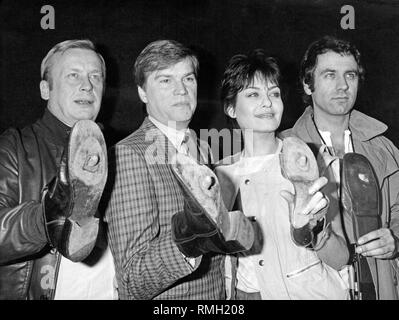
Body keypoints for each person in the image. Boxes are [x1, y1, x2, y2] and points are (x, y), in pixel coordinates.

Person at [104, 39, 253, 300]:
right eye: (165, 80)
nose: (181, 90)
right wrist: (188, 239)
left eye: (188, 79)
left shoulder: (201, 148)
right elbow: (131, 280)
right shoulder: (128, 155)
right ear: (142, 92)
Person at [215, 49, 349, 299]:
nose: (267, 102)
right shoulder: (219, 175)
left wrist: (314, 229)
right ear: (231, 108)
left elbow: (340, 258)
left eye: (274, 93)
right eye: (253, 94)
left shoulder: (313, 163)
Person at [282, 35, 399, 299]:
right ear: (307, 83)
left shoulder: (383, 148)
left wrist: (396, 241)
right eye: (329, 75)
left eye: (351, 75)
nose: (343, 85)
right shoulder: (286, 148)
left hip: (379, 284)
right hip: (312, 287)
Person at [0, 39, 117, 300]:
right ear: (45, 89)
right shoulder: (13, 148)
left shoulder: (117, 154)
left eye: (95, 76)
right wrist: (45, 219)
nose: (87, 85)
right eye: (73, 75)